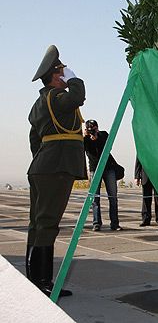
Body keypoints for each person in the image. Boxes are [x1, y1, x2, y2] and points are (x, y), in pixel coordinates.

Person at [27, 45, 85, 297]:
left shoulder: (39, 103)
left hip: (42, 166)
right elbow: (78, 97)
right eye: (62, 71)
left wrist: (42, 160)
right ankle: (42, 282)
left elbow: (33, 139)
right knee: (48, 223)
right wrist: (75, 80)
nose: (65, 74)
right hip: (57, 167)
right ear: (56, 75)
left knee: (37, 224)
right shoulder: (58, 98)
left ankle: (34, 280)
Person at [84, 119, 122, 231]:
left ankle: (115, 223)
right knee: (95, 198)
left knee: (113, 197)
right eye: (90, 129)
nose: (92, 130)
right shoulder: (85, 139)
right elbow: (83, 149)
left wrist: (97, 137)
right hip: (94, 169)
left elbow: (108, 147)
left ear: (97, 127)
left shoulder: (103, 134)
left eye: (93, 128)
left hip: (108, 168)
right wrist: (86, 137)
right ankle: (96, 223)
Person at [134, 158, 158, 226]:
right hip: (145, 175)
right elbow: (138, 159)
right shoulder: (142, 147)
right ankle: (146, 219)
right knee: (146, 199)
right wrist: (137, 176)